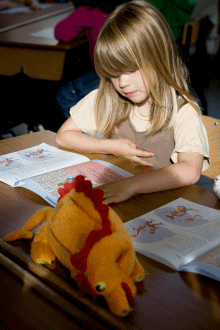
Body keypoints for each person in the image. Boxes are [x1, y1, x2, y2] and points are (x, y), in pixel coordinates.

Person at [56, 0, 210, 205]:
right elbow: (63, 137)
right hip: (124, 205)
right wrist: (111, 146)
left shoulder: (182, 110)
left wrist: (131, 185)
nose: (122, 83)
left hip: (165, 208)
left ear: (159, 58)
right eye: (113, 73)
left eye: (131, 69)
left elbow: (190, 170)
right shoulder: (109, 97)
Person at [55, 0, 126, 119]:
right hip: (128, 68)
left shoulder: (88, 12)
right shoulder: (124, 8)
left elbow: (61, 33)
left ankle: (88, 135)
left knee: (64, 96)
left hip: (108, 75)